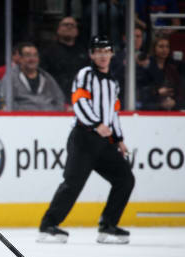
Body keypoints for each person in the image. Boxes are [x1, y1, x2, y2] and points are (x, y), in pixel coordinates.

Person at [37, 35, 135, 245]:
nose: (102, 55)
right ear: (92, 54)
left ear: (111, 54)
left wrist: (118, 139)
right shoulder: (85, 75)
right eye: (98, 51)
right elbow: (79, 102)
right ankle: (48, 226)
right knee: (72, 183)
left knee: (125, 179)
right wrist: (96, 124)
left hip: (104, 142)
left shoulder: (113, 82)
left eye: (106, 51)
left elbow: (113, 113)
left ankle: (107, 226)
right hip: (83, 138)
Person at [0, 42, 65, 111]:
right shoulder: (10, 78)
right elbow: (5, 101)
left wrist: (54, 114)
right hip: (21, 118)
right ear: (20, 58)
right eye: (28, 55)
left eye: (35, 55)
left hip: (50, 118)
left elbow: (59, 99)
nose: (32, 59)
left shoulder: (47, 77)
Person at [40, 16, 89, 107]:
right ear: (58, 30)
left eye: (72, 25)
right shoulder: (48, 52)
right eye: (65, 25)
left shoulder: (84, 52)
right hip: (56, 98)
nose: (69, 27)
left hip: (80, 98)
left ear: (77, 31)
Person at [111, 25, 150, 109]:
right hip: (121, 101)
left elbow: (150, 81)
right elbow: (113, 77)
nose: (136, 39)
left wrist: (147, 67)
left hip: (144, 103)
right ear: (125, 38)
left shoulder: (146, 57)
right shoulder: (116, 57)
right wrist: (126, 64)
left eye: (139, 36)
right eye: (133, 36)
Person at [139, 35, 183, 110]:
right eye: (161, 46)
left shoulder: (172, 69)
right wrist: (157, 92)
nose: (164, 50)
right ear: (154, 49)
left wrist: (174, 101)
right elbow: (141, 91)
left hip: (170, 108)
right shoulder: (146, 67)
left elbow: (179, 90)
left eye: (167, 47)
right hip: (150, 107)